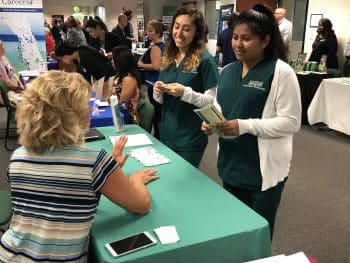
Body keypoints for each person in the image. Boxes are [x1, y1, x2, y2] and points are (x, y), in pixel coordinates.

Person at [0, 71, 159, 262]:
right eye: (84, 105)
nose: (90, 111)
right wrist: (134, 180)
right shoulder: (93, 161)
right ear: (69, 116)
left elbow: (53, 190)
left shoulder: (18, 156)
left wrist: (108, 169)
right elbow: (141, 205)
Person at [201, 4, 301, 239]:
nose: (237, 44)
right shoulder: (227, 71)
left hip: (262, 172)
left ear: (265, 41)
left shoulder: (281, 73)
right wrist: (210, 121)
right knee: (235, 231)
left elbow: (291, 122)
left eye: (246, 39)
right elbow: (220, 106)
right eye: (235, 37)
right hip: (231, 165)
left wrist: (244, 125)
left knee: (257, 236)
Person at [153, 7, 219, 167]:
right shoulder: (168, 57)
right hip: (166, 134)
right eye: (176, 26)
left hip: (189, 139)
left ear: (196, 32)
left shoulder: (205, 61)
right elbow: (161, 101)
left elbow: (212, 103)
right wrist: (158, 91)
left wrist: (185, 93)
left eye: (187, 29)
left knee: (182, 185)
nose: (179, 33)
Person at [137, 20, 166, 138]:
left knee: (157, 111)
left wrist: (141, 65)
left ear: (158, 32)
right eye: (147, 31)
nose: (147, 33)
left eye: (150, 31)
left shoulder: (155, 48)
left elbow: (156, 66)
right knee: (159, 111)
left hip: (153, 83)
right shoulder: (163, 46)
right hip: (157, 82)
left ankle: (158, 136)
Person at [111, 45, 141, 124]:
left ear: (120, 61)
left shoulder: (129, 80)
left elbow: (122, 103)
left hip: (126, 116)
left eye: (113, 59)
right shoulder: (119, 76)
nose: (111, 61)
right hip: (118, 111)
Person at [0, 40, 24, 106]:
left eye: (2, 44)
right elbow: (7, 82)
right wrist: (19, 88)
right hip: (8, 92)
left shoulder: (4, 57)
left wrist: (20, 84)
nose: (2, 47)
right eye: (0, 46)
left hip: (15, 88)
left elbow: (13, 73)